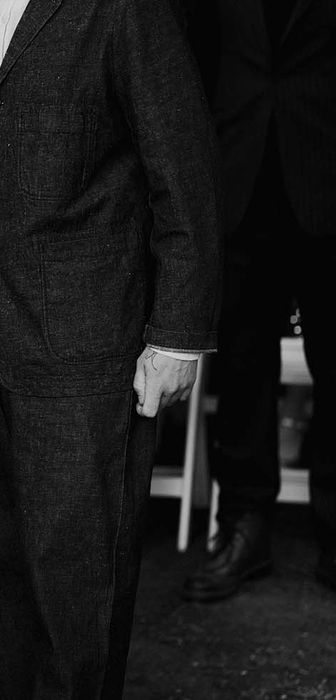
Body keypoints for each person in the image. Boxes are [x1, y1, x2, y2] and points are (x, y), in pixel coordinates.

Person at [0, 0, 222, 696]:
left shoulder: (127, 11)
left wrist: (177, 336)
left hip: (88, 340)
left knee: (77, 582)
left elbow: (185, 172)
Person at [181, 0, 336, 601]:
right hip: (238, 179)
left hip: (326, 171)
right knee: (242, 368)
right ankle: (245, 526)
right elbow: (191, 59)